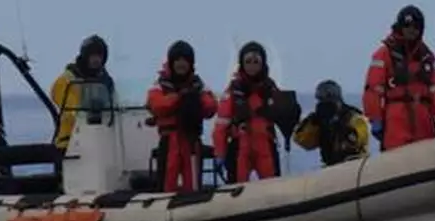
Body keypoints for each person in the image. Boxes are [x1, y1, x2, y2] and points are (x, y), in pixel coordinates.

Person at [362, 5, 435, 152]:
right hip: (396, 120)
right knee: (397, 157)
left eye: (416, 26)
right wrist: (375, 119)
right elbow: (373, 89)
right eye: (407, 25)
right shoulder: (384, 54)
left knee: (427, 155)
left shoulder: (427, 57)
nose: (412, 30)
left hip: (424, 121)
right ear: (400, 26)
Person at [212, 41, 299, 183]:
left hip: (265, 144)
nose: (252, 66)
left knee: (272, 188)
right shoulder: (233, 91)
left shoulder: (270, 89)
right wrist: (220, 153)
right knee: (237, 189)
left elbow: (284, 115)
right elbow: (221, 125)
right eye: (248, 62)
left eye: (255, 62)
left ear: (262, 63)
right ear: (242, 63)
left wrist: (291, 113)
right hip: (240, 145)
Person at [146, 40, 218, 193]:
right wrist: (180, 97)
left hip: (191, 140)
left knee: (193, 186)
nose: (181, 63)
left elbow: (211, 108)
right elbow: (157, 105)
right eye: (177, 59)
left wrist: (194, 98)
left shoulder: (198, 85)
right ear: (171, 62)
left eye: (185, 60)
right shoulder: (159, 84)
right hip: (169, 141)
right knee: (167, 186)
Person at [50, 35, 115, 151]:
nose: (96, 59)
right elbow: (73, 109)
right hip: (71, 142)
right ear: (85, 56)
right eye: (93, 55)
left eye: (100, 56)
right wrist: (87, 110)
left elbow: (114, 106)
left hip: (101, 140)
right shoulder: (68, 79)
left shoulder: (106, 81)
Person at [292, 80, 370, 167]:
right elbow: (303, 141)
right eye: (322, 100)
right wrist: (313, 123)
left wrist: (340, 127)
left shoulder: (352, 116)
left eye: (328, 99)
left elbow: (358, 139)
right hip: (330, 166)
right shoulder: (319, 119)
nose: (325, 104)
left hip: (354, 163)